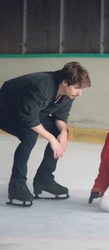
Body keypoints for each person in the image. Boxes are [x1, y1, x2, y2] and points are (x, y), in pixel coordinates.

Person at [0, 61, 91, 207]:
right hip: (6, 110)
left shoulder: (68, 95)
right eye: (77, 88)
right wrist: (51, 139)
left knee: (57, 131)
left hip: (30, 111)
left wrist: (63, 133)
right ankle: (16, 186)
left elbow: (60, 117)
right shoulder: (41, 87)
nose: (80, 93)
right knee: (29, 135)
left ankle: (44, 179)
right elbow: (29, 119)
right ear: (65, 83)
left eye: (82, 89)